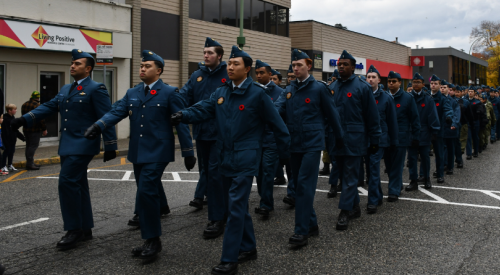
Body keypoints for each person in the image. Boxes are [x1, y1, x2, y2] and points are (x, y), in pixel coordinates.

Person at [171, 46, 290, 275]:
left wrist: (285, 156)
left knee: (235, 206)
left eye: (236, 64)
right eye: (230, 63)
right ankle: (249, 247)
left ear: (247, 69)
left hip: (246, 158)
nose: (231, 67)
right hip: (224, 155)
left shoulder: (257, 94)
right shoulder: (221, 92)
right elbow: (203, 108)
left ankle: (229, 259)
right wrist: (182, 115)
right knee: (237, 206)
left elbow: (278, 126)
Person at [85, 50, 195, 260]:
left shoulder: (170, 92)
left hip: (158, 151)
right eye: (141, 66)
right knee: (145, 194)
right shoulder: (132, 92)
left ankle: (154, 240)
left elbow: (180, 122)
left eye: (147, 66)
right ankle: (148, 238)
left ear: (159, 70)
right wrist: (98, 126)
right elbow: (116, 111)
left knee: (146, 191)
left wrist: (188, 151)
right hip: (138, 151)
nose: (142, 69)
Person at [10, 49, 118, 250]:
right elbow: (48, 107)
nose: (72, 66)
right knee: (79, 184)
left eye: (77, 63)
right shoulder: (65, 89)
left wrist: (110, 144)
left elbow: (107, 116)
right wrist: (23, 119)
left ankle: (74, 229)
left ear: (88, 69)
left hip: (84, 143)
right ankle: (85, 228)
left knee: (67, 182)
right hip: (67, 144)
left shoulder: (97, 88)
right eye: (72, 63)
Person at [275, 49, 342, 244]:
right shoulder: (289, 90)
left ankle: (301, 231)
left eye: (299, 66)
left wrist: (338, 140)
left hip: (313, 144)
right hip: (294, 144)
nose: (295, 69)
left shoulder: (319, 88)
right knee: (299, 185)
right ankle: (311, 224)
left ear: (309, 66)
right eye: (293, 66)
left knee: (303, 186)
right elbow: (276, 110)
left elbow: (333, 116)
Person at [179, 37, 228, 239]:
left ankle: (218, 217)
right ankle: (216, 207)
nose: (206, 56)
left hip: (221, 133)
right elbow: (184, 97)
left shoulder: (228, 74)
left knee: (217, 175)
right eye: (204, 52)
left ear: (219, 56)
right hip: (201, 133)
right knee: (206, 172)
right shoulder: (197, 75)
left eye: (210, 53)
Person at [329, 50, 380, 231]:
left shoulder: (362, 87)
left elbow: (372, 117)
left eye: (345, 64)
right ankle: (355, 207)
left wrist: (375, 140)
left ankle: (344, 211)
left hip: (355, 139)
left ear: (353, 67)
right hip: (337, 140)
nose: (341, 67)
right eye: (339, 64)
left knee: (350, 177)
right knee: (343, 174)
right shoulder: (333, 87)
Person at [364, 66, 398, 213]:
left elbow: (392, 122)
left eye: (373, 77)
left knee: (373, 167)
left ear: (379, 80)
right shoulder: (363, 95)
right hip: (365, 138)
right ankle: (377, 196)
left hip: (380, 139)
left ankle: (372, 201)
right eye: (368, 77)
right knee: (370, 169)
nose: (370, 79)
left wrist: (394, 141)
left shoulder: (386, 98)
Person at [253, 60, 285, 218]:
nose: (258, 76)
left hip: (272, 139)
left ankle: (265, 205)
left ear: (270, 74)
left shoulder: (279, 92)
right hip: (257, 139)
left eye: (262, 73)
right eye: (257, 73)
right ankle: (266, 200)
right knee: (258, 173)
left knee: (267, 171)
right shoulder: (252, 91)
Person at [406, 72, 437, 191]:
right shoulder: (408, 98)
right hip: (411, 132)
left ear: (423, 84)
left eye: (418, 82)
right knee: (412, 158)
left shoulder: (428, 99)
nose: (416, 84)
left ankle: (426, 178)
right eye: (414, 82)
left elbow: (432, 116)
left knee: (425, 158)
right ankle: (413, 180)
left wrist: (434, 131)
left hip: (424, 132)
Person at [428, 75, 453, 184]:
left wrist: (448, 117)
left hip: (438, 129)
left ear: (439, 85)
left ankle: (440, 174)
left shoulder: (443, 98)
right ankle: (423, 175)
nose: (433, 85)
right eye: (432, 83)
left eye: (436, 84)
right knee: (424, 154)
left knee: (439, 153)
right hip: (427, 129)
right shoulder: (427, 97)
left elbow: (448, 109)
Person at [21, 91, 48, 170]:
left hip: (26, 128)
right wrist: (44, 129)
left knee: (28, 146)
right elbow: (41, 119)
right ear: (38, 98)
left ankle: (30, 162)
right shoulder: (37, 105)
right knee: (33, 146)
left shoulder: (24, 104)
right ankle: (30, 163)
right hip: (35, 129)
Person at [441, 81, 461, 175]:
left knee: (450, 148)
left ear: (448, 89)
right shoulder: (436, 100)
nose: (442, 89)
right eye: (441, 87)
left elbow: (456, 114)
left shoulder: (453, 101)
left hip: (450, 128)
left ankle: (450, 167)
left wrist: (454, 124)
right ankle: (441, 166)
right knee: (440, 149)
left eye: (444, 87)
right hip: (440, 128)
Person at [1, 104, 25, 172]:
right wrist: (5, 140)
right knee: (6, 152)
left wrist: (22, 137)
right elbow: (5, 131)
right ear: (9, 110)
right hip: (7, 139)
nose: (16, 110)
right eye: (14, 109)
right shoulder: (5, 119)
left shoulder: (13, 118)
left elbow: (15, 129)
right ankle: (3, 166)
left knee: (12, 151)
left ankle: (10, 165)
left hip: (13, 138)